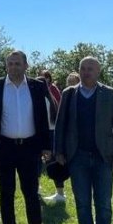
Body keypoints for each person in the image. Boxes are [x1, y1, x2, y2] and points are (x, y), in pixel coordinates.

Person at [54, 56, 113, 224]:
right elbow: (60, 124)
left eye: (90, 69)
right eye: (83, 69)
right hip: (77, 157)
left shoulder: (109, 94)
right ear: (79, 71)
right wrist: (59, 150)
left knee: (103, 203)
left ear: (98, 71)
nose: (86, 72)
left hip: (104, 158)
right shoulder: (69, 94)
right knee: (82, 203)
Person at [0, 51, 51, 224]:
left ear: (26, 65)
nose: (13, 67)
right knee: (6, 194)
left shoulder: (37, 86)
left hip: (30, 148)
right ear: (6, 66)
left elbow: (43, 117)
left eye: (17, 63)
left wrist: (46, 146)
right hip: (4, 147)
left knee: (31, 194)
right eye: (10, 63)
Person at [43, 72, 80, 203]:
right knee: (56, 163)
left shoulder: (76, 95)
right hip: (58, 132)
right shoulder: (63, 93)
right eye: (68, 81)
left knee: (68, 164)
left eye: (73, 81)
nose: (70, 83)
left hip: (63, 134)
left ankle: (72, 194)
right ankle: (60, 193)